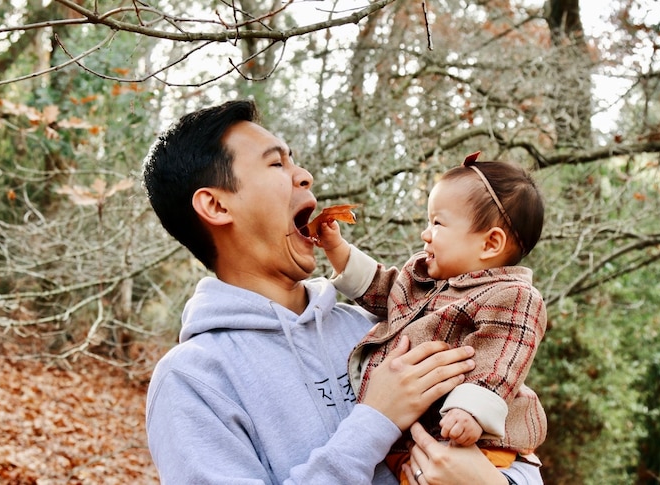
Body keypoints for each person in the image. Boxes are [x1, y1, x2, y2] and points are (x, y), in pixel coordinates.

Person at [142, 99, 544, 484]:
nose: (304, 175)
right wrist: (375, 419)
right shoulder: (192, 380)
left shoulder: (381, 329)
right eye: (276, 163)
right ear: (215, 205)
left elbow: (513, 440)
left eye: (295, 160)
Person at [317, 153, 547, 484]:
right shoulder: (422, 277)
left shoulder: (512, 296)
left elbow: (500, 359)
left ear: (490, 243)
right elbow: (385, 290)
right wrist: (338, 252)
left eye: (437, 223)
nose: (426, 234)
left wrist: (469, 411)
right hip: (411, 438)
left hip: (479, 445)